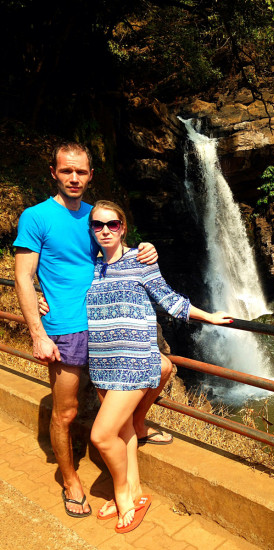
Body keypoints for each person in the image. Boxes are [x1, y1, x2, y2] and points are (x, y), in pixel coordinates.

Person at [13, 141, 159, 518]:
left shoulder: (97, 217)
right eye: (66, 170)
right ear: (54, 173)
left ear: (91, 175)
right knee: (65, 412)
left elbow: (118, 254)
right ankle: (70, 480)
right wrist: (38, 334)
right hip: (66, 329)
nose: (74, 177)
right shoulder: (36, 217)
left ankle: (133, 443)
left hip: (106, 326)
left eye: (81, 171)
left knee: (155, 373)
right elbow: (23, 276)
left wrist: (147, 249)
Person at [86, 200, 233, 533]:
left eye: (112, 224)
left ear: (123, 227)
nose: (105, 230)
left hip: (135, 362)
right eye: (98, 225)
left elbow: (169, 300)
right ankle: (136, 492)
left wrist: (208, 316)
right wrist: (44, 301)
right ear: (91, 230)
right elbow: (69, 296)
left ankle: (121, 495)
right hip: (102, 362)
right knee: (122, 431)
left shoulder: (141, 260)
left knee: (102, 435)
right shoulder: (90, 267)